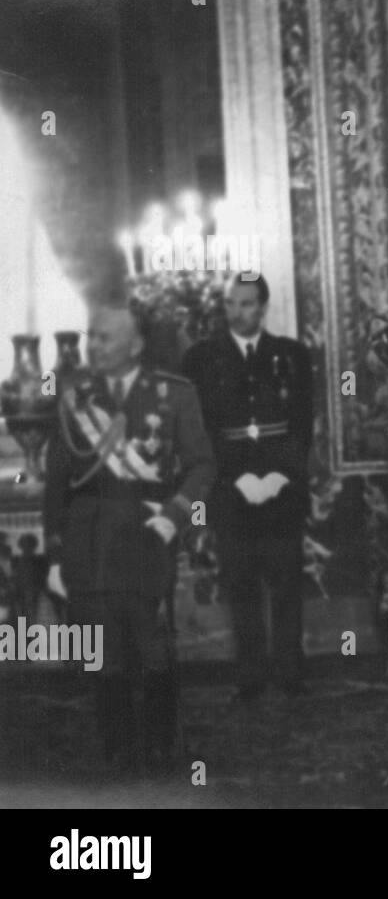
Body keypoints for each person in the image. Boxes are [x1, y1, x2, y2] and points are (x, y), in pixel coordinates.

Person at [44, 302, 215, 775]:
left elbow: (202, 464)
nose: (91, 345)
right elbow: (57, 483)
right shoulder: (74, 396)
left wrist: (174, 517)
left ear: (135, 345)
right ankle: (117, 748)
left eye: (103, 337)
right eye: (90, 336)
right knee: (105, 653)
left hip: (145, 536)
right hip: (90, 542)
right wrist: (56, 554)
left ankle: (161, 746)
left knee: (153, 647)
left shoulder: (174, 395)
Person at [180, 274, 314, 705]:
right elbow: (201, 430)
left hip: (283, 486)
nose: (238, 311)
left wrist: (279, 475)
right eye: (231, 303)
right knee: (242, 582)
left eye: (247, 303)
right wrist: (237, 478)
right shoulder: (200, 359)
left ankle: (290, 673)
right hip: (230, 487)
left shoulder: (293, 356)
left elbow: (303, 424)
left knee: (287, 581)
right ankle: (251, 677)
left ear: (264, 306)